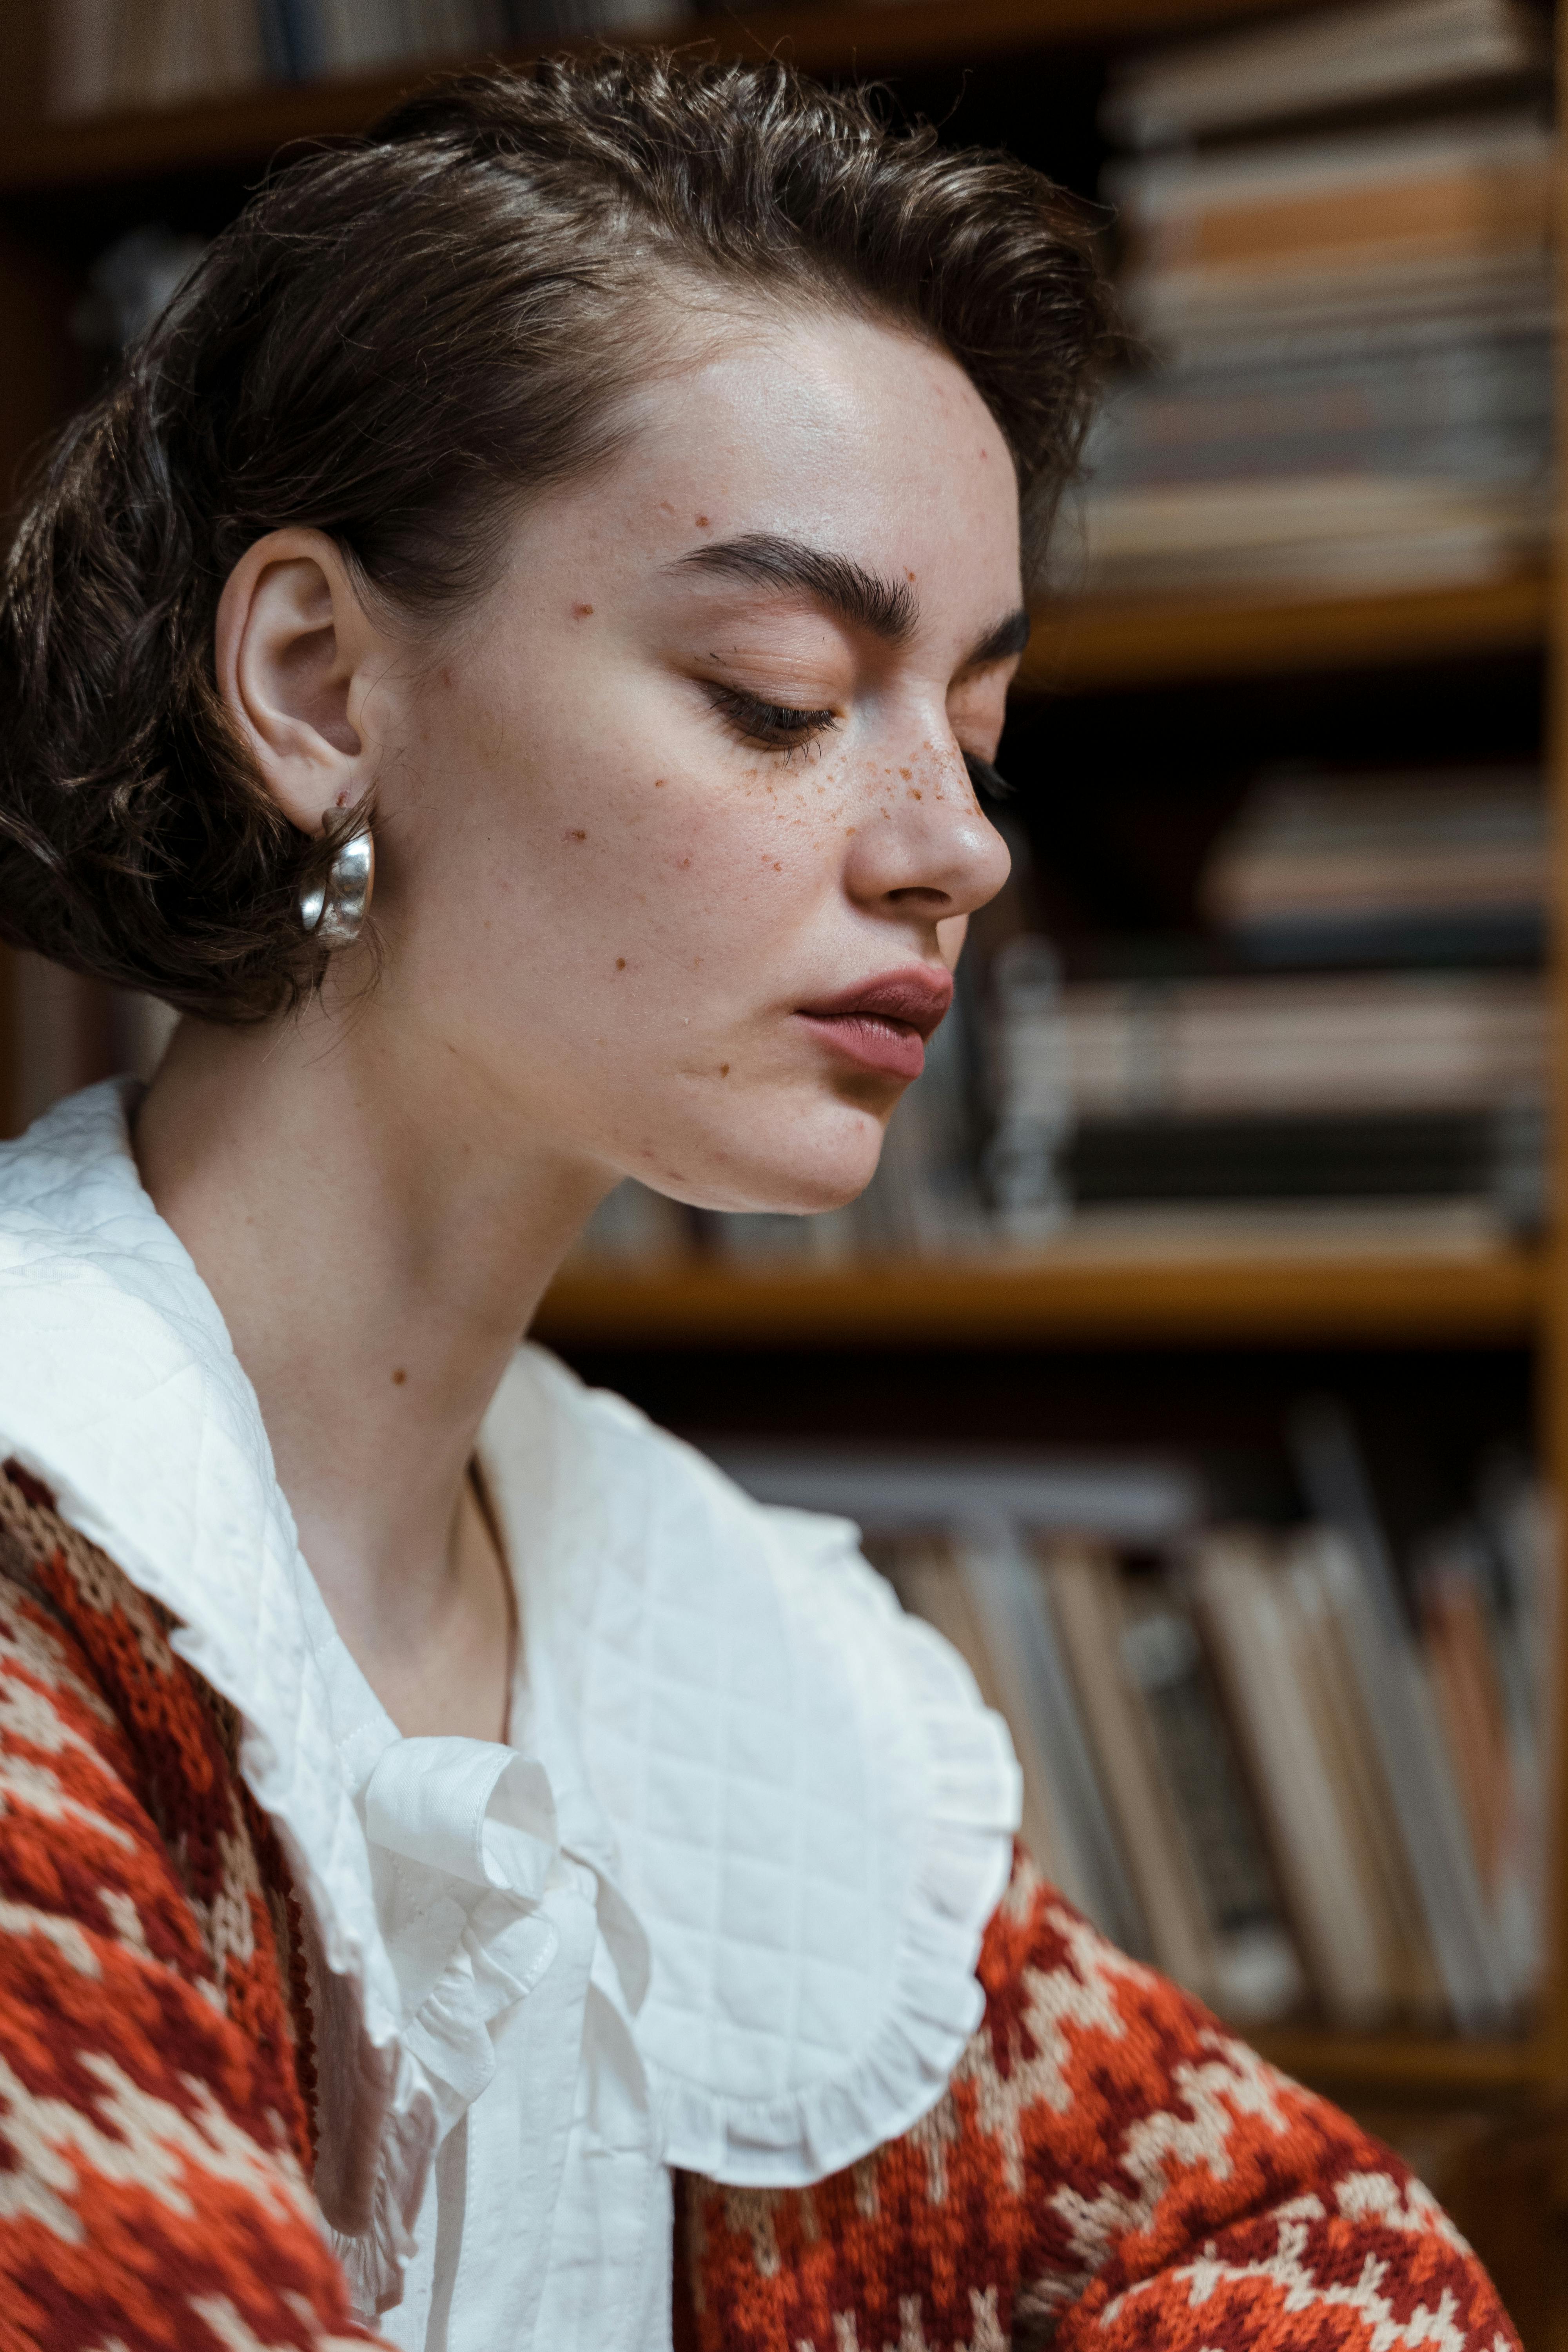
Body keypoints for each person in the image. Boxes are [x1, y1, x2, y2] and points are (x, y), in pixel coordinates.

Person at [0, 51, 1518, 2352]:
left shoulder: (732, 1656)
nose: (960, 845)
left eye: (979, 732)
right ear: (317, 681)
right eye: (780, 693)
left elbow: (1337, 2264)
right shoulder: (52, 1555)